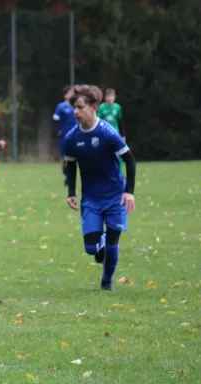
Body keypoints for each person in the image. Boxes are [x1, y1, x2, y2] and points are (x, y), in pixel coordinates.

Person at [63, 85, 136, 291]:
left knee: (112, 242)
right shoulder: (71, 138)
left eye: (79, 107)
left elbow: (130, 161)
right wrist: (71, 193)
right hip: (91, 198)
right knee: (91, 248)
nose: (75, 112)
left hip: (115, 196)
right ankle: (100, 241)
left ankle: (107, 281)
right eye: (73, 108)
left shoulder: (108, 133)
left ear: (94, 106)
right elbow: (70, 166)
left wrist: (128, 191)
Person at [53, 86, 77, 185]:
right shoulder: (61, 106)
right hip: (64, 136)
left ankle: (74, 175)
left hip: (76, 135)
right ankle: (67, 175)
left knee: (77, 156)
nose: (72, 95)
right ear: (65, 95)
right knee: (66, 157)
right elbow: (55, 119)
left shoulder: (76, 106)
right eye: (70, 93)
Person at [97, 89, 126, 171]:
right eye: (108, 96)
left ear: (114, 97)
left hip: (115, 133)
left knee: (118, 153)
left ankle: (118, 172)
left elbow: (120, 121)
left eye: (112, 96)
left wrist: (123, 135)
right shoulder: (101, 108)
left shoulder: (117, 107)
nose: (110, 98)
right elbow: (98, 121)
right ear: (105, 98)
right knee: (104, 153)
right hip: (104, 134)